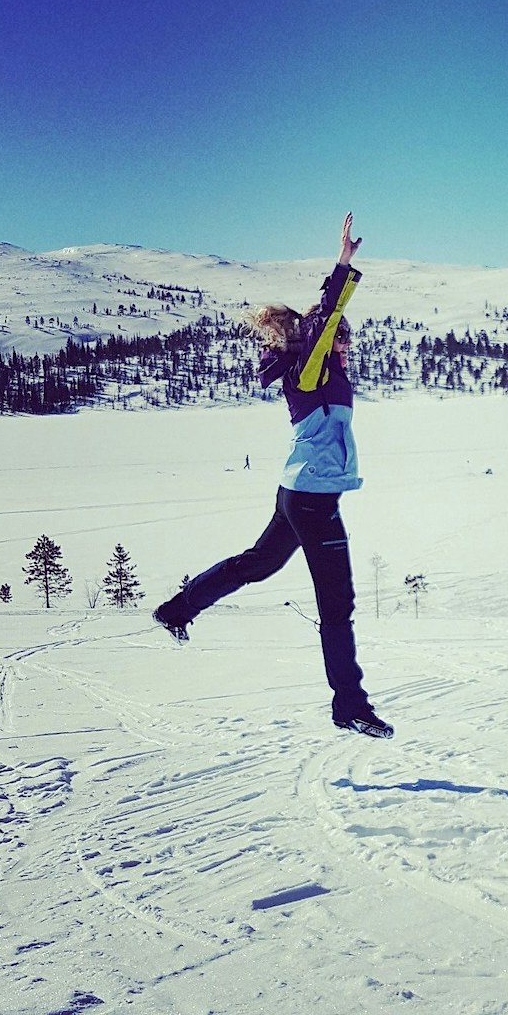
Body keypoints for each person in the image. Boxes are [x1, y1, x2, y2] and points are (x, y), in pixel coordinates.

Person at [153, 213, 392, 739]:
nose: (348, 348)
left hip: (299, 492)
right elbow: (325, 319)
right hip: (311, 499)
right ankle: (349, 704)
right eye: (342, 341)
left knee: (258, 564)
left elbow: (327, 330)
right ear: (323, 341)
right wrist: (343, 267)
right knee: (338, 605)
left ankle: (176, 610)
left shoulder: (326, 376)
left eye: (349, 343)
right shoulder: (309, 373)